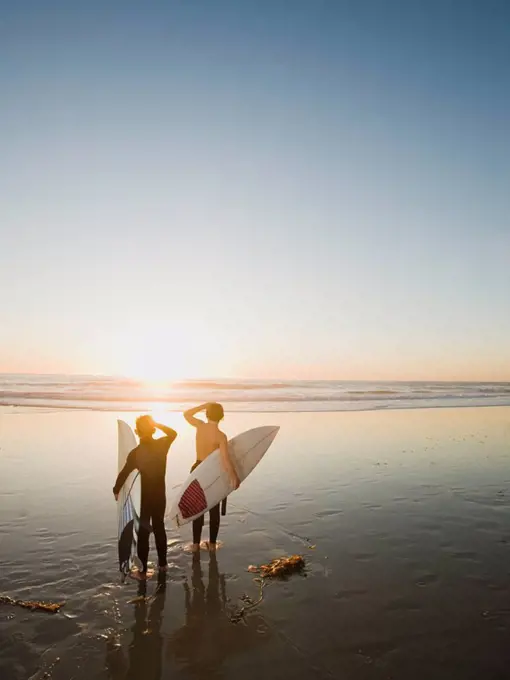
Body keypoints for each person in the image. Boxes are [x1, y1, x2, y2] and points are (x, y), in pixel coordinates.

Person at [113, 415, 177, 580]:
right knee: (159, 528)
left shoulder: (135, 454)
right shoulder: (162, 445)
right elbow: (173, 433)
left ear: (137, 431)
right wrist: (157, 423)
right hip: (159, 496)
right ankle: (163, 565)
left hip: (143, 499)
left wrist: (116, 489)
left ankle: (142, 572)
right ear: (153, 429)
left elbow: (124, 473)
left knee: (143, 533)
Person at [183, 403, 240, 553]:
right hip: (213, 472)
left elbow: (186, 414)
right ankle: (213, 545)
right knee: (213, 508)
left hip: (197, 469)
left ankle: (195, 545)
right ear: (222, 416)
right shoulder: (221, 436)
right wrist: (234, 477)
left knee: (198, 508)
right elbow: (225, 460)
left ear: (206, 414)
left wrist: (203, 405)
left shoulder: (200, 426)